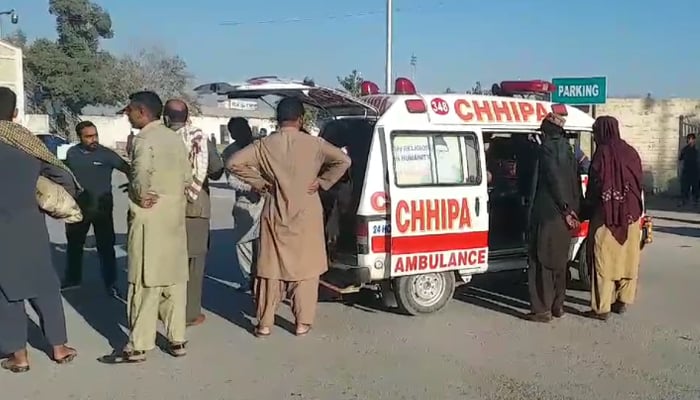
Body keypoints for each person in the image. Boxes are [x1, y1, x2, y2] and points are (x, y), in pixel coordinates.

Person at [227, 98, 351, 337]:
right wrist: (323, 181)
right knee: (305, 270)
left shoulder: (264, 145)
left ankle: (264, 323)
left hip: (275, 209)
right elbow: (344, 160)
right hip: (307, 210)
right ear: (301, 119)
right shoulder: (315, 143)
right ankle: (302, 322)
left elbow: (234, 163)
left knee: (269, 269)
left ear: (277, 119)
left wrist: (261, 183)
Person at [100, 91, 192, 364]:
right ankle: (177, 339)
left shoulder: (144, 139)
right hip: (174, 216)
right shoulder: (175, 138)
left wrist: (140, 195)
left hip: (149, 217)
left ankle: (138, 344)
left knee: (143, 280)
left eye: (129, 111)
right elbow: (188, 176)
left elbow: (139, 174)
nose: (127, 115)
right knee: (174, 280)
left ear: (141, 111)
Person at [0, 87, 79, 373]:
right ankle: (58, 347)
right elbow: (62, 175)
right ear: (15, 113)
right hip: (30, 224)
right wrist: (53, 201)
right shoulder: (26, 143)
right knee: (45, 283)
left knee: (6, 291)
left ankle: (19, 357)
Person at [581, 116, 644, 321]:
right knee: (628, 258)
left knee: (603, 260)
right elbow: (639, 182)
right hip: (631, 216)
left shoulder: (603, 153)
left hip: (606, 215)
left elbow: (596, 185)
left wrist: (585, 209)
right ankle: (623, 300)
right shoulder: (631, 152)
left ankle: (602, 308)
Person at [163, 99, 216, 327]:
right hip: (194, 207)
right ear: (187, 117)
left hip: (164, 206)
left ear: (165, 117)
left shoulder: (156, 138)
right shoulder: (199, 139)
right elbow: (214, 169)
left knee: (167, 261)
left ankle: (164, 308)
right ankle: (189, 313)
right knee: (194, 263)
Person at [62, 121, 130, 296]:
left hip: (102, 210)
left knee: (106, 247)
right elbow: (64, 176)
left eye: (95, 135)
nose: (94, 139)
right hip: (78, 209)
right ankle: (73, 279)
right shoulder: (72, 153)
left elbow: (129, 169)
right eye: (89, 136)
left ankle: (111, 282)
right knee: (74, 245)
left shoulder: (107, 154)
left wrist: (134, 185)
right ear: (80, 137)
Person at [527, 112, 581, 323]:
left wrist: (564, 207)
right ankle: (558, 306)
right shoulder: (567, 149)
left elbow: (553, 179)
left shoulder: (546, 149)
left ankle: (542, 310)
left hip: (548, 213)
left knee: (540, 261)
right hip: (565, 217)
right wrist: (572, 210)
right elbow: (573, 181)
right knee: (559, 261)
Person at [221, 117, 264, 291]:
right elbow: (232, 180)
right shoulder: (229, 152)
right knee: (244, 244)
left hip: (265, 200)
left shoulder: (261, 145)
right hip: (245, 201)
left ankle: (264, 277)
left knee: (264, 242)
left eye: (245, 128)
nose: (243, 133)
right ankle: (249, 279)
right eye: (237, 131)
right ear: (232, 134)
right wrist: (251, 188)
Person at [678, 133, 698, 207]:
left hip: (695, 170)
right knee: (684, 186)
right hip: (686, 170)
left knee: (695, 186)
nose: (690, 141)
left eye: (691, 139)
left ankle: (695, 200)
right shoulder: (685, 149)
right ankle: (683, 200)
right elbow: (680, 158)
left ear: (694, 140)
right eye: (688, 139)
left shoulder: (697, 150)